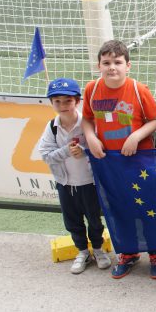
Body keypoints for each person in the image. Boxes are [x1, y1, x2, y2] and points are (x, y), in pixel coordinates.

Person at [82, 40, 156, 279]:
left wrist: (136, 137)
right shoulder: (92, 89)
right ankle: (128, 252)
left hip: (140, 162)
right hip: (109, 163)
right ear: (99, 65)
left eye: (117, 62)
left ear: (128, 65)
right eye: (106, 63)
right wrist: (90, 137)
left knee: (147, 207)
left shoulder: (139, 90)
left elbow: (155, 120)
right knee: (119, 208)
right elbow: (87, 119)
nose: (112, 67)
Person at [39, 78, 111, 274]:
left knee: (94, 220)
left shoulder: (87, 124)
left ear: (77, 101)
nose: (63, 106)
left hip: (89, 184)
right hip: (65, 184)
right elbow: (46, 155)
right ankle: (82, 251)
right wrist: (66, 151)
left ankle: (97, 249)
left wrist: (85, 151)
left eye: (68, 101)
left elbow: (102, 149)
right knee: (72, 222)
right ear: (51, 103)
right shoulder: (52, 127)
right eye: (57, 101)